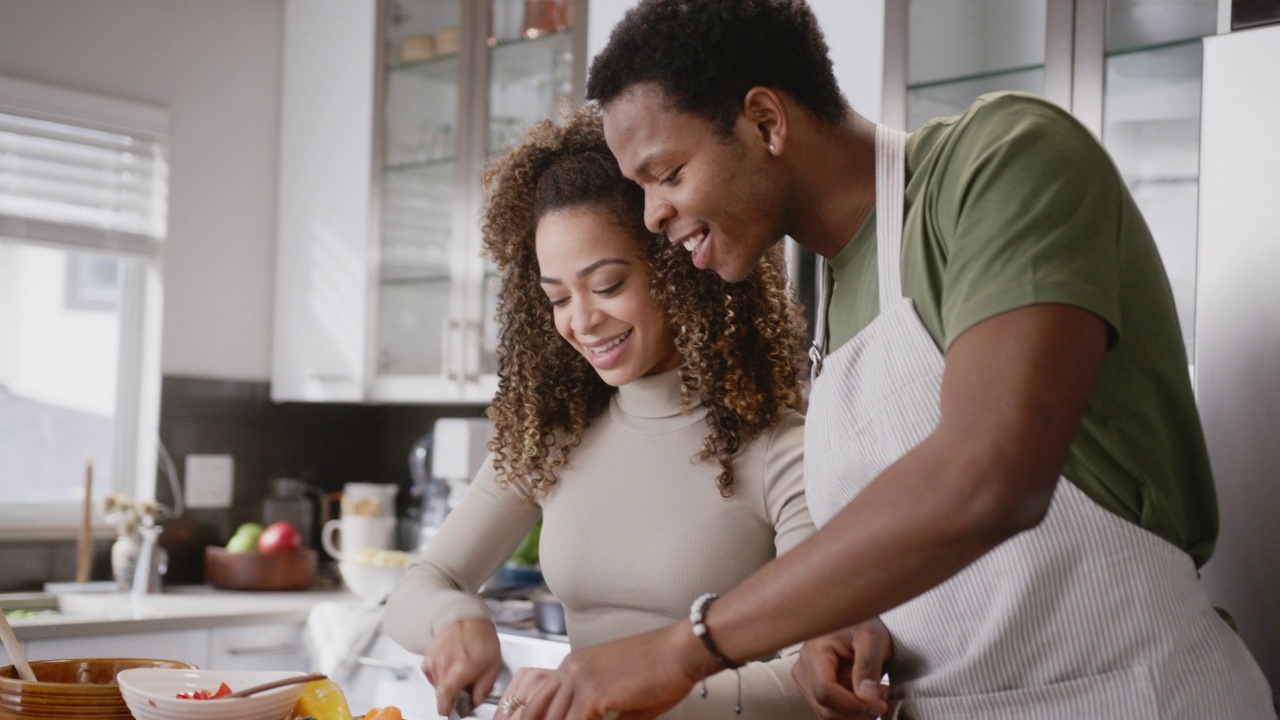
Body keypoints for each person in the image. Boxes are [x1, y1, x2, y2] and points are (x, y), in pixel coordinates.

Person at [515, 2, 1278, 719]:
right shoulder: (837, 297)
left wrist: (688, 647)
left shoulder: (1003, 164)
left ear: (764, 120)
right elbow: (937, 565)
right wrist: (845, 626)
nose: (652, 216)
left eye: (667, 174)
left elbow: (987, 478)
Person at [382, 106, 871, 719]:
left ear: (679, 268)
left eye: (608, 285)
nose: (581, 321)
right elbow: (425, 582)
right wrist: (453, 619)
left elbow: (816, 678)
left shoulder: (782, 451)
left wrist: (635, 695)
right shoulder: (557, 439)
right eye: (557, 297)